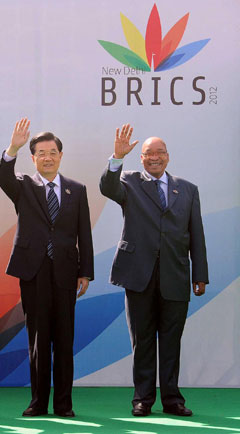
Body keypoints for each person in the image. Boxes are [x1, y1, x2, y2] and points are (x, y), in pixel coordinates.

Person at [99, 124, 208, 417]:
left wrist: (200, 275)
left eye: (159, 153)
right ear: (141, 158)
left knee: (171, 341)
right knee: (143, 340)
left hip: (176, 275)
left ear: (168, 157)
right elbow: (107, 188)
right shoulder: (129, 181)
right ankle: (142, 399)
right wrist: (116, 157)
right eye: (148, 153)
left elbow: (195, 234)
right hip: (138, 275)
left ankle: (172, 400)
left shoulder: (187, 189)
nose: (154, 158)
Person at [0, 118, 93, 418]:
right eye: (41, 153)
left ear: (60, 156)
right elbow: (2, 175)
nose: (47, 157)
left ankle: (64, 404)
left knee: (64, 340)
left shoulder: (76, 190)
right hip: (33, 271)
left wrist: (85, 271)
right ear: (33, 157)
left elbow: (83, 234)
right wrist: (13, 146)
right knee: (38, 340)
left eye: (52, 152)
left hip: (65, 273)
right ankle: (38, 402)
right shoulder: (23, 186)